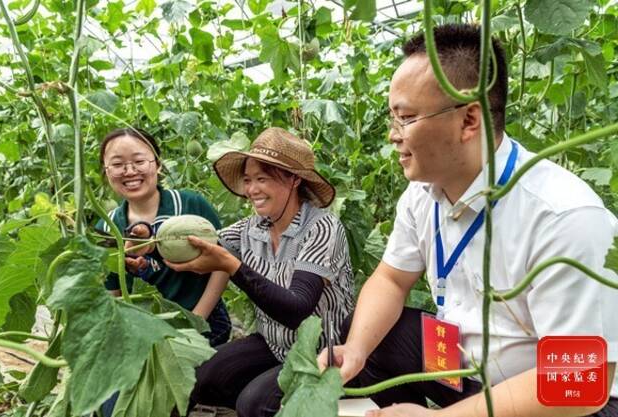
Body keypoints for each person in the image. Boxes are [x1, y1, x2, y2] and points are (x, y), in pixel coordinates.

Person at [317, 24, 618, 417]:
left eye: (405, 117)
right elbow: (391, 278)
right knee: (369, 336)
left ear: (469, 121)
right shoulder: (423, 193)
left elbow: (578, 384)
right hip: (464, 372)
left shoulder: (562, 215)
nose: (393, 135)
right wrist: (355, 350)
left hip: (558, 403)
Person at [166, 127, 356, 417]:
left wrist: (231, 265)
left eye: (262, 179)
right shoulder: (250, 228)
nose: (251, 190)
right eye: (248, 180)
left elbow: (297, 309)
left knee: (254, 405)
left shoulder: (322, 228)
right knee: (204, 377)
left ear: (293, 180)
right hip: (274, 344)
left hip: (324, 351)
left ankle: (315, 400)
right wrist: (148, 241)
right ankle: (275, 388)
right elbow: (196, 242)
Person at [95, 127, 232, 345]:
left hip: (204, 324)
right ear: (106, 170)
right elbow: (114, 292)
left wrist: (196, 320)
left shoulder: (190, 204)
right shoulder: (106, 226)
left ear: (157, 164)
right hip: (144, 335)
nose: (129, 171)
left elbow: (223, 264)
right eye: (118, 164)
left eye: (139, 161)